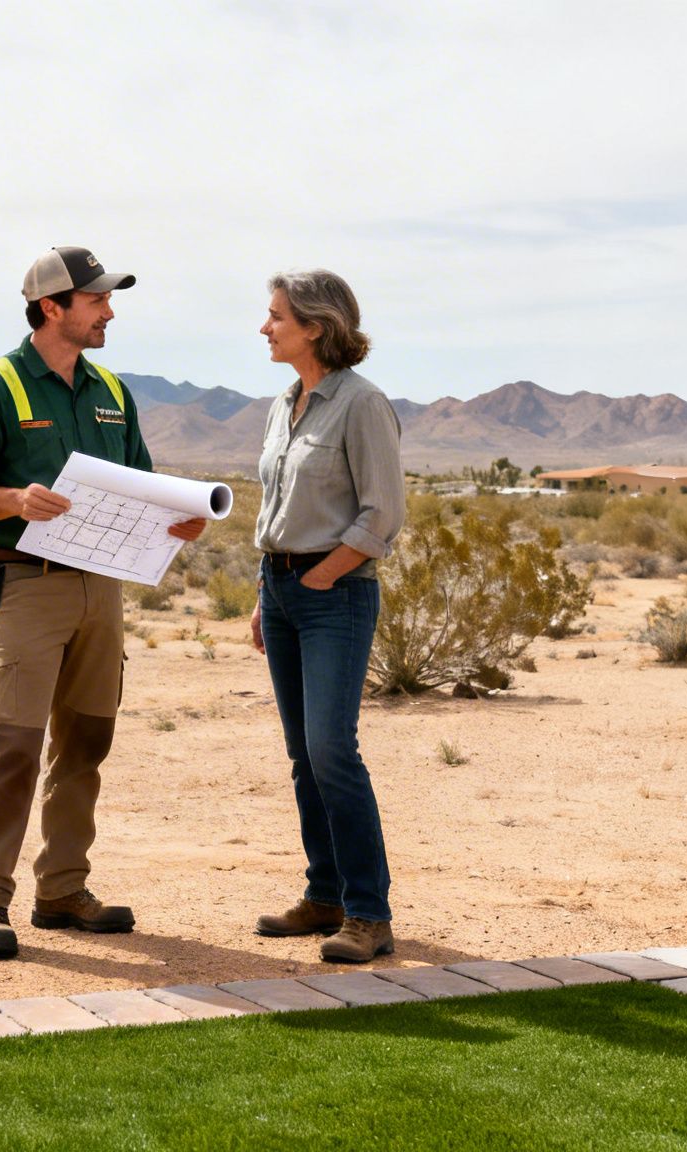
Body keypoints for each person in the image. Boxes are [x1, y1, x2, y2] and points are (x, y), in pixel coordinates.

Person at [0, 246, 205, 960]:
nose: (108, 312)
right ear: (51, 307)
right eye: (96, 300)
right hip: (29, 586)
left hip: (102, 590)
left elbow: (142, 486)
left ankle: (62, 888)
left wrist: (179, 518)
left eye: (107, 300)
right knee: (14, 746)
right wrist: (13, 500)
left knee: (87, 741)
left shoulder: (112, 390)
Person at [249, 269, 406, 963]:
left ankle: (369, 915)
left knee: (332, 751)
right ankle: (325, 895)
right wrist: (269, 594)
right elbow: (274, 510)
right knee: (302, 755)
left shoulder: (362, 404)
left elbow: (383, 513)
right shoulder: (284, 404)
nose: (265, 327)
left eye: (277, 316)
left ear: (316, 326)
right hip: (280, 588)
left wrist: (319, 575)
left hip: (334, 594)